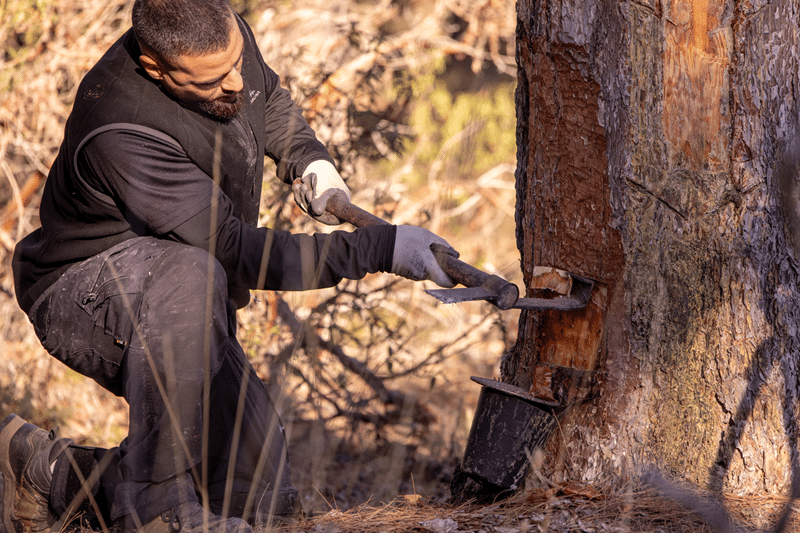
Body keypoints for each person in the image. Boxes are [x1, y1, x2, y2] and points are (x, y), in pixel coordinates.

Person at [5, 1, 457, 532]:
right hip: (84, 290)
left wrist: (308, 158)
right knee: (191, 275)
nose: (235, 82)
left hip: (180, 293)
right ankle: (158, 515)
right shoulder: (121, 127)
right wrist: (378, 250)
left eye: (237, 62)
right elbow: (234, 252)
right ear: (156, 68)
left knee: (258, 498)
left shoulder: (221, 39)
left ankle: (49, 475)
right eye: (212, 80)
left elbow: (266, 98)